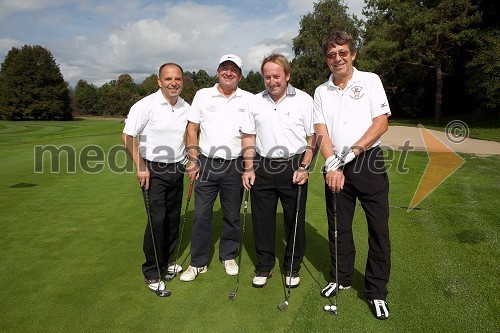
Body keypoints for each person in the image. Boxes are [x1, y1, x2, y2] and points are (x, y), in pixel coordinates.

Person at [313, 31, 392, 319]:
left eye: (342, 52)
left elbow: (381, 123)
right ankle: (340, 277)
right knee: (339, 227)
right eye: (332, 54)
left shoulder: (370, 80)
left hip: (368, 161)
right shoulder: (321, 91)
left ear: (353, 54)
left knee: (378, 229)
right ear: (326, 59)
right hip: (335, 165)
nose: (338, 58)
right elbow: (320, 131)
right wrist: (333, 164)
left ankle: (376, 290)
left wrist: (353, 153)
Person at [241, 53, 316, 289]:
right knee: (262, 221)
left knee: (294, 220)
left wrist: (305, 166)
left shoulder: (304, 100)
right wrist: (248, 168)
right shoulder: (254, 101)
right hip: (262, 165)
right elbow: (248, 136)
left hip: (294, 165)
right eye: (267, 77)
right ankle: (264, 266)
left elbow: (313, 137)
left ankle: (292, 267)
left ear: (287, 76)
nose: (272, 81)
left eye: (276, 76)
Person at [179, 54, 254, 282]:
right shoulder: (203, 95)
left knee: (231, 215)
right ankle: (197, 262)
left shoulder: (248, 98)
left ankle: (228, 255)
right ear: (217, 71)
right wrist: (193, 159)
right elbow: (192, 129)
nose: (228, 72)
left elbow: (249, 135)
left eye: (233, 69)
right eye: (224, 68)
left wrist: (249, 167)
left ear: (240, 75)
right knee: (202, 214)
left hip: (235, 164)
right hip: (207, 163)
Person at [122, 63, 189, 294]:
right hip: (152, 170)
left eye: (178, 79)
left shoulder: (185, 107)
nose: (173, 83)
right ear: (159, 81)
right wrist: (141, 167)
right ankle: (152, 271)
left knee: (172, 219)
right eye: (168, 79)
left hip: (177, 168)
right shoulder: (146, 105)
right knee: (157, 220)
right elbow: (127, 136)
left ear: (182, 81)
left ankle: (168, 262)